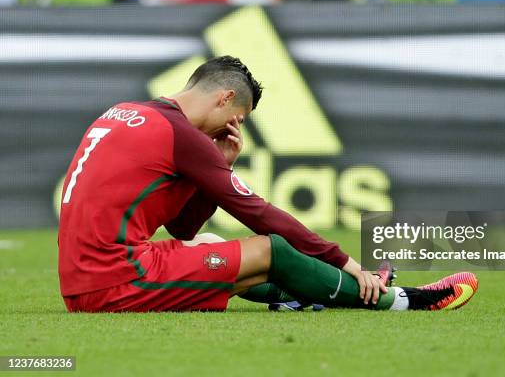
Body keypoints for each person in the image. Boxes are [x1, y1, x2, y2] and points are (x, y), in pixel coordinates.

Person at [58, 55, 478, 312]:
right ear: (224, 98)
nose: (232, 127)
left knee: (207, 244)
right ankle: (402, 300)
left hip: (84, 279)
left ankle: (298, 294)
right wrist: (345, 261)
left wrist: (217, 168)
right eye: (237, 118)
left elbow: (183, 229)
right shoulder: (181, 134)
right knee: (271, 249)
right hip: (115, 283)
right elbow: (260, 214)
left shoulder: (128, 111)